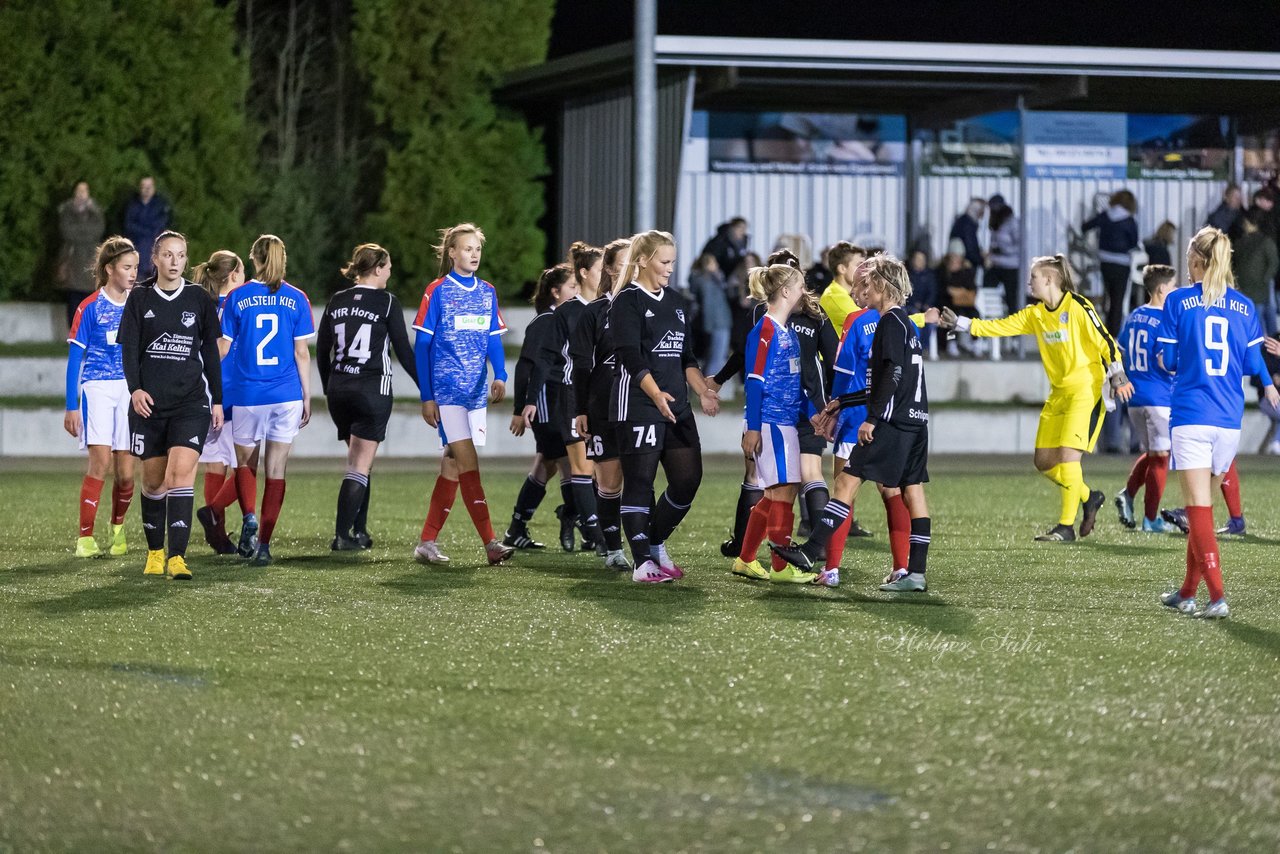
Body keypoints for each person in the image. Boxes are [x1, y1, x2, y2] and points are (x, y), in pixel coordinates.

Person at [939, 254, 1133, 542]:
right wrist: (963, 324)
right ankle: (1088, 496)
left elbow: (1106, 340)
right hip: (1059, 393)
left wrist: (1118, 374)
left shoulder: (1078, 306)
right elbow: (1001, 327)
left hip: (1086, 390)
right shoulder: (1036, 314)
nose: (1030, 283)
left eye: (1033, 278)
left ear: (1050, 279)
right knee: (1043, 462)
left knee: (1068, 459)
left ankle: (1065, 527)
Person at [773, 254, 934, 593]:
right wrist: (843, 402)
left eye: (866, 283)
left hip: (889, 422)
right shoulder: (907, 323)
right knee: (912, 493)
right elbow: (893, 380)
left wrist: (871, 419)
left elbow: (892, 375)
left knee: (845, 485)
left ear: (880, 285)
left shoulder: (887, 322)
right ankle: (913, 572)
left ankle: (812, 554)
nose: (861, 289)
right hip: (916, 421)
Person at [1156, 227, 1278, 619]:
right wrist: (1270, 385)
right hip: (1228, 419)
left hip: (1192, 415)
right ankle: (1187, 592)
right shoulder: (1245, 305)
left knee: (1198, 511)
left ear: (1197, 261)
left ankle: (1218, 597)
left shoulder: (1177, 300)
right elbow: (1248, 361)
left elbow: (1169, 361)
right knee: (1202, 507)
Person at [609, 230, 719, 583]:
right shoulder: (627, 300)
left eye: (672, 261)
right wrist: (656, 395)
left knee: (688, 479)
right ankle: (642, 563)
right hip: (640, 403)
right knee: (640, 482)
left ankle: (655, 542)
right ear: (642, 260)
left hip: (678, 407)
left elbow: (686, 356)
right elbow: (630, 356)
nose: (671, 268)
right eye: (664, 261)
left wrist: (702, 390)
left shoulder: (676, 301)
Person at [117, 230, 222, 580]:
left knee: (180, 475)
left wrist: (218, 400)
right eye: (168, 255)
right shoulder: (140, 298)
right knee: (154, 482)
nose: (175, 262)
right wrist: (135, 390)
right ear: (156, 259)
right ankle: (155, 552)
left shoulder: (199, 299)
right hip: (149, 406)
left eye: (180, 256)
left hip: (191, 404)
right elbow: (128, 349)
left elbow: (210, 353)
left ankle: (177, 558)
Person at [413, 223, 514, 567]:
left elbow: (493, 339)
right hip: (447, 392)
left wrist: (500, 375)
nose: (473, 255)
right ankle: (490, 543)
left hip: (474, 394)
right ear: (452, 253)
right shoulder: (437, 291)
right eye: (467, 249)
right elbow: (422, 345)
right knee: (469, 463)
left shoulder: (487, 291)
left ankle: (427, 541)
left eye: (477, 250)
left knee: (454, 467)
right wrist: (427, 396)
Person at [217, 234, 314, 567]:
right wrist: (307, 395)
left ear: (254, 260)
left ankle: (249, 517)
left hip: (248, 394)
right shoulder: (298, 298)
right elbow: (302, 353)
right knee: (277, 471)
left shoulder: (237, 297)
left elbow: (224, 349)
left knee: (246, 465)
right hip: (286, 394)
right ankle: (265, 547)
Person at [315, 243, 418, 551]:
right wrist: (428, 390)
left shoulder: (337, 300)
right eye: (387, 266)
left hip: (339, 390)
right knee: (359, 465)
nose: (390, 272)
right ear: (376, 269)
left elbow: (322, 349)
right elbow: (403, 352)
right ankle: (342, 535)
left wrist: (327, 386)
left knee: (361, 461)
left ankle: (359, 530)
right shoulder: (387, 302)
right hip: (372, 389)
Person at [731, 264, 817, 583]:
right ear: (785, 291)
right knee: (783, 493)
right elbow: (754, 381)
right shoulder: (765, 329)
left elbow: (791, 384)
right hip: (770, 424)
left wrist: (814, 414)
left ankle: (746, 559)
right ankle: (781, 567)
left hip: (784, 423)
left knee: (774, 495)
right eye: (799, 286)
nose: (803, 292)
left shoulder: (786, 331)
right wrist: (753, 427)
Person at [64, 236, 138, 558]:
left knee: (126, 472)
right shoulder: (89, 306)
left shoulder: (140, 304)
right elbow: (74, 360)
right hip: (97, 387)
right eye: (127, 267)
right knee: (101, 463)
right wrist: (71, 405)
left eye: (136, 267)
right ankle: (85, 539)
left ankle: (118, 530)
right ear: (110, 269)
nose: (133, 273)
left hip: (130, 389)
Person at [570, 237, 633, 572]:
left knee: (641, 479)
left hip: (639, 406)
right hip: (603, 406)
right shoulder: (594, 312)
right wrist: (580, 410)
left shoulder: (648, 308)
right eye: (624, 263)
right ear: (609, 269)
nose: (631, 270)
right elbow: (582, 366)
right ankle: (612, 549)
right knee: (610, 482)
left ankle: (649, 548)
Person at [541, 242, 607, 555]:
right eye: (601, 268)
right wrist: (528, 402)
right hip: (571, 393)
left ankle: (572, 514)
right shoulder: (565, 313)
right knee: (581, 468)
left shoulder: (610, 306)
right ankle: (598, 535)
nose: (607, 273)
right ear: (584, 273)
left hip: (604, 395)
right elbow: (546, 359)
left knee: (600, 470)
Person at [505, 264, 575, 553]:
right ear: (555, 292)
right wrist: (521, 408)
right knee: (570, 465)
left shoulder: (560, 319)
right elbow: (525, 366)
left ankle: (516, 528)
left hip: (558, 403)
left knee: (546, 466)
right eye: (572, 287)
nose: (577, 292)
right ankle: (583, 523)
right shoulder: (546, 321)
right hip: (547, 404)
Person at [1114, 265, 1178, 533]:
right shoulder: (1165, 317)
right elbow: (1166, 362)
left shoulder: (1134, 316)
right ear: (1162, 290)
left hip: (1135, 399)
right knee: (1162, 458)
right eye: (1173, 287)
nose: (1174, 292)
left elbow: (1117, 349)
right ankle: (1151, 520)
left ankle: (1127, 495)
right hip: (1158, 397)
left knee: (1154, 455)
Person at [191, 250, 246, 555]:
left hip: (208, 391)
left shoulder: (203, 305)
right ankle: (213, 512)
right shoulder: (236, 306)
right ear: (234, 275)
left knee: (216, 465)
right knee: (246, 467)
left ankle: (219, 537)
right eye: (243, 272)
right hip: (233, 393)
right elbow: (224, 350)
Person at [1082, 189, 1140, 335]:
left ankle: (1104, 330)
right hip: (1122, 263)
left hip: (1105, 261)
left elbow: (1086, 226)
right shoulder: (1129, 220)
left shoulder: (1106, 215)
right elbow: (1133, 242)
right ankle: (1113, 334)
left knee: (1107, 297)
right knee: (1118, 300)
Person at [57, 181, 106, 327]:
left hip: (90, 258)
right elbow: (67, 232)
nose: (81, 194)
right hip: (73, 258)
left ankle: (88, 330)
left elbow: (98, 231)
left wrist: (81, 231)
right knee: (73, 297)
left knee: (90, 297)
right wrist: (86, 232)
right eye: (79, 191)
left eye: (84, 191)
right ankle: (73, 331)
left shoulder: (95, 212)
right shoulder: (67, 210)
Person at [1233, 208, 1279, 337]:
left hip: (1256, 291)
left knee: (1256, 324)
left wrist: (1265, 279)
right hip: (1248, 290)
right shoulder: (1242, 242)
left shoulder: (1263, 242)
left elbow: (1273, 263)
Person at [689, 253, 732, 377]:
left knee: (714, 355)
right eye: (714, 263)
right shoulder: (707, 282)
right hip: (718, 322)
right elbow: (708, 305)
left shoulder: (709, 279)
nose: (717, 266)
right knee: (717, 356)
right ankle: (709, 387)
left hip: (718, 322)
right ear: (708, 265)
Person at [123, 177, 172, 279]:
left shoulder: (160, 205)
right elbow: (128, 226)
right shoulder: (132, 204)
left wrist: (141, 229)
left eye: (149, 187)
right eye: (144, 187)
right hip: (136, 255)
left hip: (154, 256)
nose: (146, 190)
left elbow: (159, 227)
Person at [818, 242, 868, 331]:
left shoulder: (846, 293)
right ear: (842, 269)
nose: (864, 270)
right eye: (859, 265)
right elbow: (869, 323)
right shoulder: (834, 297)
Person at [986, 194, 1021, 315]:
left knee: (1012, 297)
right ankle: (990, 318)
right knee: (988, 289)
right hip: (996, 265)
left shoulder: (1012, 223)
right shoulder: (995, 222)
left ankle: (1013, 327)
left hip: (1010, 266)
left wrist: (1003, 250)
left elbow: (1019, 246)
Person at [948, 198, 986, 272]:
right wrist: (981, 261)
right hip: (965, 265)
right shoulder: (967, 224)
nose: (983, 213)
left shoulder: (964, 222)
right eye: (982, 209)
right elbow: (970, 246)